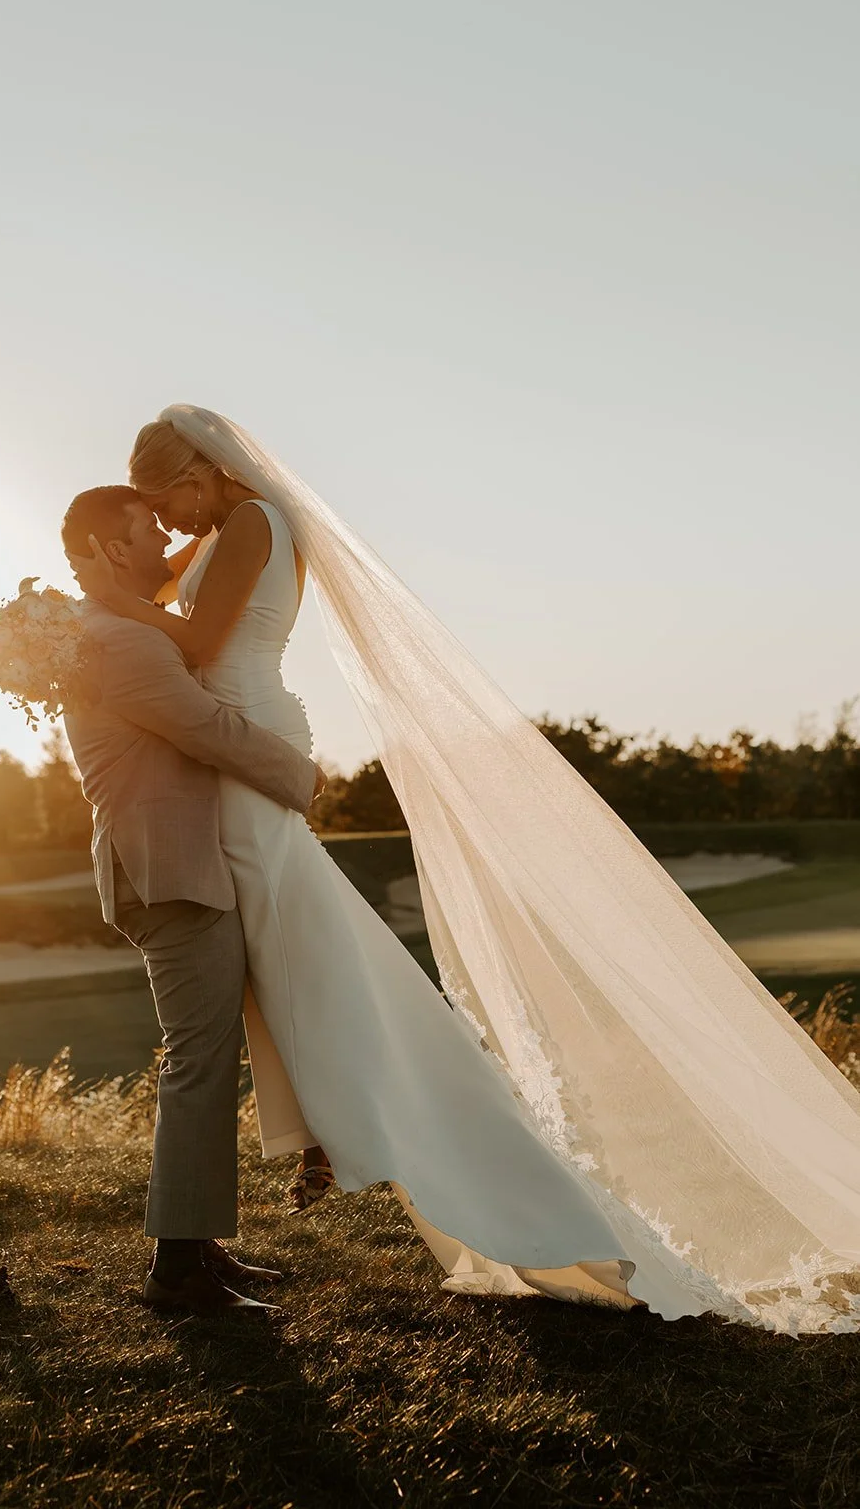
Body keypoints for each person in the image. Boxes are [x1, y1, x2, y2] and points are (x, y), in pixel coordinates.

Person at [70, 405, 860, 1335]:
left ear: (206, 473)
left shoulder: (249, 522)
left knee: (304, 962)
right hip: (236, 760)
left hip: (250, 746)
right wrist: (80, 601)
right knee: (298, 961)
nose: (170, 528)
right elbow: (144, 587)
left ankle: (349, 1122)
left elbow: (195, 647)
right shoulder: (219, 529)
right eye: (157, 515)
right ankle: (318, 1130)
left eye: (173, 502)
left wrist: (88, 608)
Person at [60, 484, 328, 1315]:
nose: (163, 552)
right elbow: (207, 730)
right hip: (169, 869)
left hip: (173, 863)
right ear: (109, 548)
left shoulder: (107, 631)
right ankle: (178, 1270)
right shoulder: (118, 643)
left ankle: (199, 1249)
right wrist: (305, 775)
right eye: (146, 534)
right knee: (198, 1061)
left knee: (205, 1056)